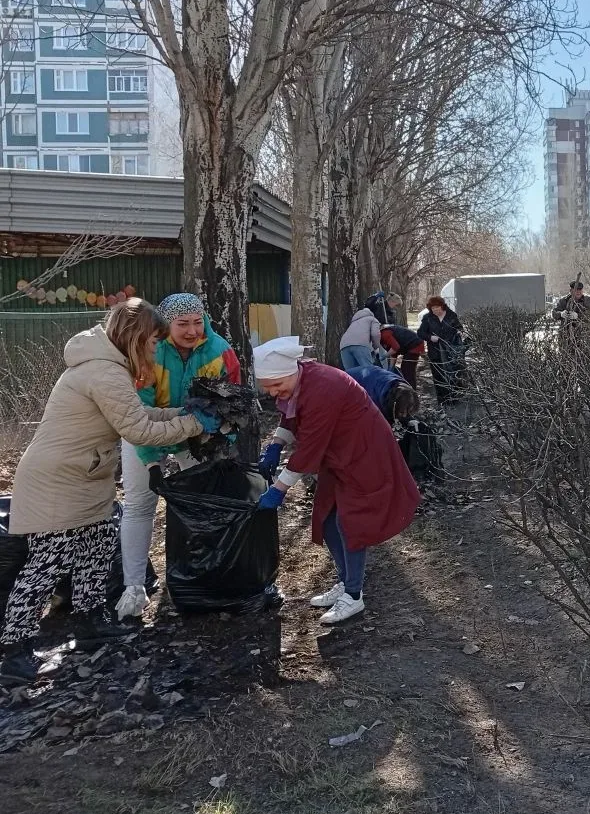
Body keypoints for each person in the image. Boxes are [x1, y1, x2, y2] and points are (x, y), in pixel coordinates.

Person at [0, 300, 220, 683]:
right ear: (137, 338)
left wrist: (181, 414)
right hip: (57, 481)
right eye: (153, 342)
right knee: (47, 563)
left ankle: (90, 623)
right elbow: (139, 431)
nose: (156, 349)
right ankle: (14, 650)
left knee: (98, 545)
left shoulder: (111, 368)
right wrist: (194, 424)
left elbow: (139, 413)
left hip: (86, 477)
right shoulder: (104, 372)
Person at [254, 337, 420, 627]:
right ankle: (345, 580)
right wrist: (276, 444)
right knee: (327, 515)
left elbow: (309, 449)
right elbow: (290, 415)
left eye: (275, 385)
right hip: (338, 453)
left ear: (291, 372)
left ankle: (354, 595)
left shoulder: (323, 388)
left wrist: (279, 490)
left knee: (350, 522)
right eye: (267, 387)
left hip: (365, 452)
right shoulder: (299, 380)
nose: (272, 393)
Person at [115, 292, 242, 620]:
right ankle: (133, 587)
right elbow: (138, 414)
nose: (192, 330)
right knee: (139, 505)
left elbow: (231, 407)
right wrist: (152, 462)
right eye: (182, 324)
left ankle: (198, 576)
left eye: (198, 322)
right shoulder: (150, 350)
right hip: (145, 432)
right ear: (166, 324)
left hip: (195, 437)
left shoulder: (220, 352)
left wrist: (216, 440)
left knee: (200, 505)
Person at [418, 296, 467, 406]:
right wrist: (430, 337)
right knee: (438, 376)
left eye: (437, 307)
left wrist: (460, 332)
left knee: (453, 374)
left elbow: (459, 327)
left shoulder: (451, 315)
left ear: (442, 306)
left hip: (451, 351)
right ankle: (443, 402)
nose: (435, 310)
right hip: (435, 352)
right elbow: (420, 333)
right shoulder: (427, 318)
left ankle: (455, 400)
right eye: (432, 308)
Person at [346, 365, 418, 425]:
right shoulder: (375, 399)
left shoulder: (404, 389)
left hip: (371, 375)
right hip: (348, 384)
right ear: (394, 404)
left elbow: (405, 404)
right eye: (402, 412)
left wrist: (408, 420)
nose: (405, 415)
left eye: (409, 411)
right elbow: (377, 421)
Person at [552, 280, 590, 350]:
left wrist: (578, 316)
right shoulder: (564, 301)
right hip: (567, 337)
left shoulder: (587, 300)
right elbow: (554, 313)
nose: (578, 292)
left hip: (585, 336)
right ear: (571, 291)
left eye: (580, 290)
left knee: (586, 354)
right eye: (576, 290)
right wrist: (560, 314)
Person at [339, 304, 382, 372]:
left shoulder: (354, 322)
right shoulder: (373, 319)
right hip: (360, 344)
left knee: (350, 373)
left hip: (344, 346)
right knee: (368, 370)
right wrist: (376, 346)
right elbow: (375, 334)